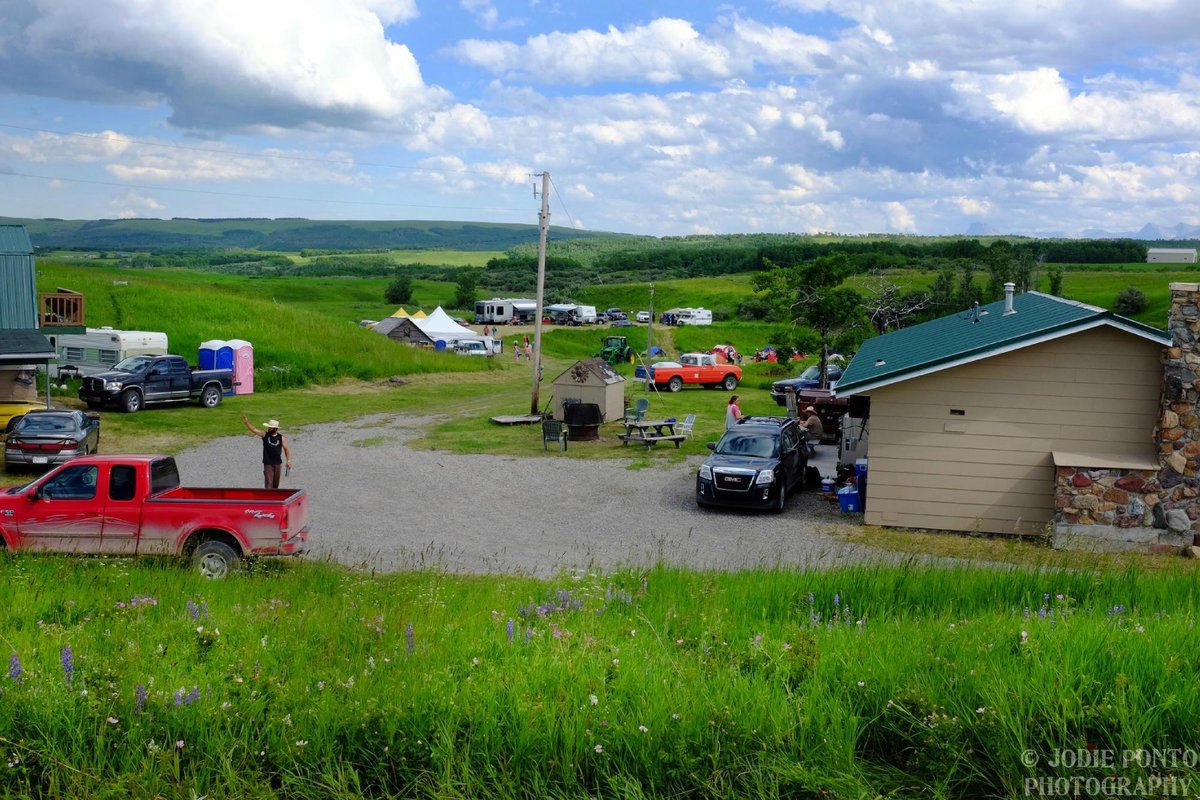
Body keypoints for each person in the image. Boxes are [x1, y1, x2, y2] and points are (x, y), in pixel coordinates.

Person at [242, 416, 292, 489]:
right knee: (269, 483)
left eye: (270, 427)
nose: (268, 428)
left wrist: (288, 460)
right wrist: (247, 423)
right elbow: (254, 429)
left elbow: (286, 449)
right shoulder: (265, 435)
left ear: (275, 429)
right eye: (269, 427)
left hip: (278, 463)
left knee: (276, 484)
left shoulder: (281, 437)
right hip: (268, 463)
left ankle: (274, 499)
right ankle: (269, 498)